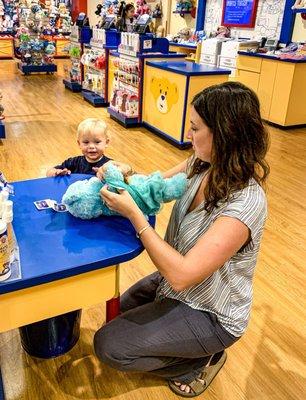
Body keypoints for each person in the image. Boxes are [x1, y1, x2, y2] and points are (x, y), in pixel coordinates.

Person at [94, 82, 270, 397]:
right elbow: (154, 184)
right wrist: (124, 173)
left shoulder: (246, 203)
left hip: (212, 312)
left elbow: (181, 276)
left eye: (195, 128)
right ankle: (185, 347)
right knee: (116, 310)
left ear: (224, 134)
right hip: (179, 285)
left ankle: (195, 362)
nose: (189, 134)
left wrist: (135, 215)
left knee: (109, 346)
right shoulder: (201, 164)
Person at [46, 118, 111, 177]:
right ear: (79, 143)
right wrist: (56, 173)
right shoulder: (73, 162)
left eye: (97, 142)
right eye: (86, 142)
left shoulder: (110, 165)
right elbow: (49, 172)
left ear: (106, 142)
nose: (91, 146)